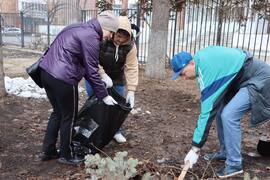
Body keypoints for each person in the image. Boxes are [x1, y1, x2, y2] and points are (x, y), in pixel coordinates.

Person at [170, 46, 270, 178]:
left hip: (258, 78)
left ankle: (234, 164)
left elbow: (206, 112)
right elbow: (211, 103)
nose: (184, 78)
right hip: (242, 78)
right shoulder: (201, 63)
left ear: (191, 63)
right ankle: (225, 151)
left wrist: (195, 147)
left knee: (229, 115)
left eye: (183, 73)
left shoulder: (206, 69)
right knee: (220, 111)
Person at [38, 10, 119, 165]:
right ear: (104, 27)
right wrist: (104, 95)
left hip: (47, 73)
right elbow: (91, 69)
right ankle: (66, 154)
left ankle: (47, 151)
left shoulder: (78, 27)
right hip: (64, 78)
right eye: (111, 31)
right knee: (69, 116)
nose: (110, 36)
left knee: (58, 113)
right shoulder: (91, 37)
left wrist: (101, 81)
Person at [85, 15, 139, 143]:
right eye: (118, 36)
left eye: (124, 37)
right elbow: (92, 60)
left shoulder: (130, 46)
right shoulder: (102, 39)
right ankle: (92, 131)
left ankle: (116, 131)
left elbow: (131, 67)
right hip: (96, 77)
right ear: (113, 32)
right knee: (95, 104)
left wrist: (131, 90)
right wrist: (102, 75)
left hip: (116, 79)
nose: (120, 40)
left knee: (116, 107)